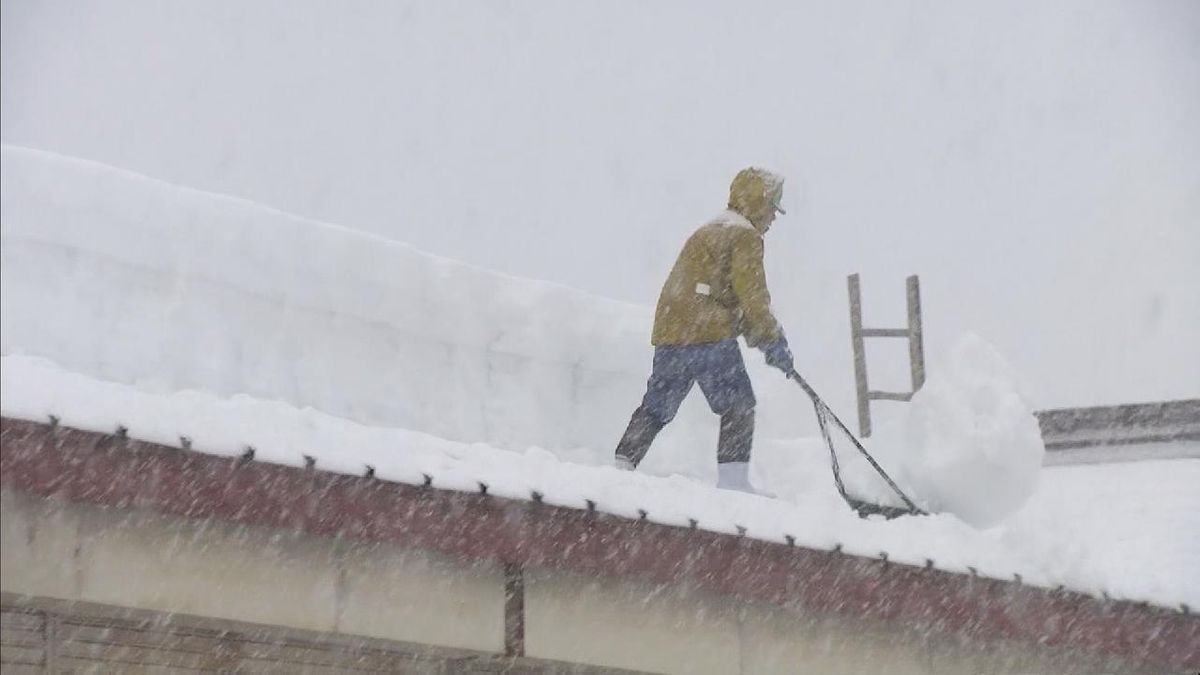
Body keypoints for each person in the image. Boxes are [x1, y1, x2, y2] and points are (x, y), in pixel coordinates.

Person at [614, 167, 794, 493]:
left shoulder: (708, 229)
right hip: (707, 331)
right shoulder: (744, 236)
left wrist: (763, 341)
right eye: (772, 209)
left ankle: (623, 464)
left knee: (658, 405)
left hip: (672, 330)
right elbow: (751, 298)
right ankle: (733, 482)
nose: (774, 218)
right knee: (738, 404)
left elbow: (729, 299)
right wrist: (773, 340)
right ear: (759, 202)